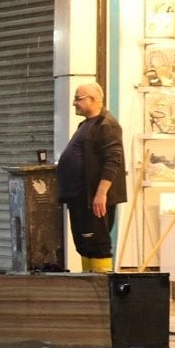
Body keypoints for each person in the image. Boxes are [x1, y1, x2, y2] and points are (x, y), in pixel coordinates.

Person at [55, 81, 127, 273]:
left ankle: (101, 285)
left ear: (94, 99)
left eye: (78, 99)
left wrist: (101, 194)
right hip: (79, 197)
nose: (74, 103)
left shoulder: (107, 125)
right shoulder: (86, 125)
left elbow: (113, 160)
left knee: (98, 244)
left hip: (93, 199)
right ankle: (87, 283)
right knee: (85, 244)